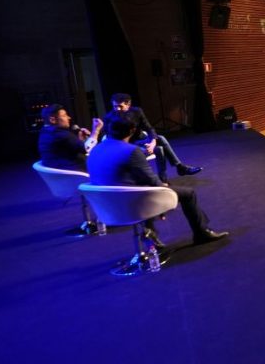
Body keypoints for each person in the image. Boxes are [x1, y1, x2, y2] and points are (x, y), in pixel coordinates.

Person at [88, 113, 227, 249]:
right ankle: (202, 233)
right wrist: (163, 196)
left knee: (142, 188)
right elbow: (152, 181)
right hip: (129, 202)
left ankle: (151, 240)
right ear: (132, 130)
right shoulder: (131, 151)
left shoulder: (96, 150)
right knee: (188, 193)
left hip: (106, 206)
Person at [105, 93, 202, 182]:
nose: (117, 109)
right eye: (115, 106)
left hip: (141, 139)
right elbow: (110, 138)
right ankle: (169, 174)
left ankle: (178, 168)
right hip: (129, 144)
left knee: (160, 138)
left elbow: (149, 128)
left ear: (128, 104)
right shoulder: (110, 117)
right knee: (159, 149)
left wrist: (152, 143)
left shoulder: (137, 111)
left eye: (120, 106)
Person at [38, 104, 103, 171]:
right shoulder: (61, 134)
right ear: (52, 120)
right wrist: (95, 131)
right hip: (75, 173)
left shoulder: (44, 132)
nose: (68, 117)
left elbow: (70, 149)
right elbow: (86, 149)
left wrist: (80, 140)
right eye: (64, 115)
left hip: (58, 175)